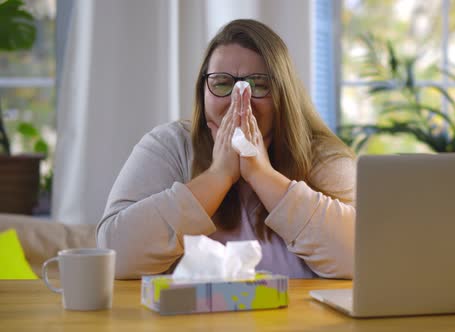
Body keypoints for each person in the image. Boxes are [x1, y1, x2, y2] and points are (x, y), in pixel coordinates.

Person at [96, 19, 356, 279]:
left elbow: (361, 258)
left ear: (283, 94)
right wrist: (218, 175)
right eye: (222, 83)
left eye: (258, 84)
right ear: (203, 92)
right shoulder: (169, 145)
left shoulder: (322, 156)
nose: (239, 99)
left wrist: (262, 175)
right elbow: (115, 255)